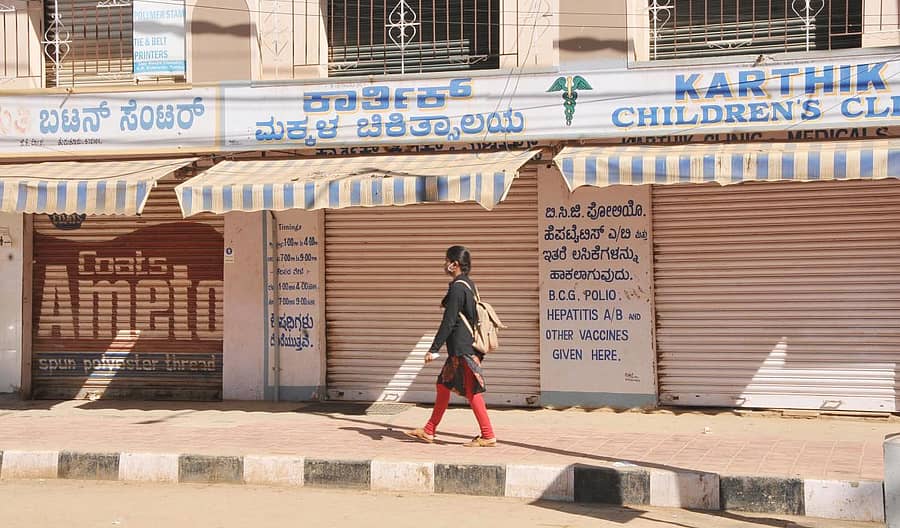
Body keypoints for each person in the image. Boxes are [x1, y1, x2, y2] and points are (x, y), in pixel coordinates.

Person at [404, 245, 496, 447]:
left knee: (472, 391)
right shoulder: (468, 285)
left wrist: (434, 349)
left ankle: (488, 435)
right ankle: (429, 430)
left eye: (446, 260)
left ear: (454, 264)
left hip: (464, 350)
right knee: (443, 385)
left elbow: (449, 321)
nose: (444, 264)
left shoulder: (458, 288)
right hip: (460, 349)